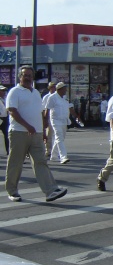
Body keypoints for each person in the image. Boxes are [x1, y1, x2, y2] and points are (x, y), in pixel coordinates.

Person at [5, 66, 67, 203]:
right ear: (20, 77)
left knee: (41, 162)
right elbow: (12, 111)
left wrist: (43, 132)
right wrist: (27, 126)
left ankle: (50, 191)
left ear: (33, 77)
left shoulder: (36, 93)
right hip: (19, 133)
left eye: (29, 75)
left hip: (36, 134)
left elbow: (39, 113)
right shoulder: (15, 92)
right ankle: (12, 191)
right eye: (24, 75)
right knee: (16, 163)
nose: (27, 77)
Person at [44, 82, 78, 164]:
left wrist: (76, 117)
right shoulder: (52, 97)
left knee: (60, 138)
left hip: (64, 121)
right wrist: (45, 121)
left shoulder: (65, 98)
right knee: (59, 137)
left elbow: (70, 108)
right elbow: (47, 109)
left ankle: (54, 156)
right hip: (55, 120)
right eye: (64, 89)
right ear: (59, 89)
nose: (65, 91)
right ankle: (63, 157)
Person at [41, 81, 57, 157]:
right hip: (49, 118)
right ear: (50, 88)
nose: (54, 88)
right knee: (49, 135)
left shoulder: (59, 96)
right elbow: (44, 109)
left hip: (57, 118)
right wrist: (45, 120)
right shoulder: (46, 97)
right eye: (52, 87)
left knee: (57, 136)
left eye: (55, 87)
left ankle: (55, 151)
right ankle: (48, 150)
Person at [0, 85, 9, 154]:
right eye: (2, 90)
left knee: (7, 135)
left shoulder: (6, 99)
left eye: (4, 90)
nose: (3, 92)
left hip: (5, 119)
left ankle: (9, 151)